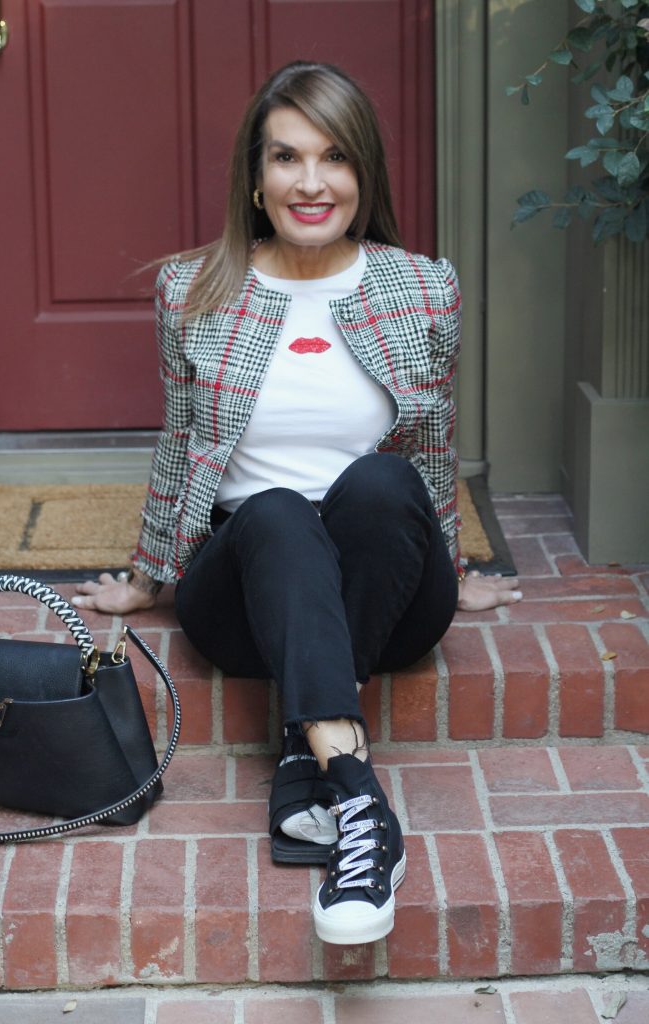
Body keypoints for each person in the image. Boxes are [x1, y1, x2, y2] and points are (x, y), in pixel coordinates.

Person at [72, 61, 521, 946]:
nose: (310, 183)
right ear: (255, 176)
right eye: (286, 158)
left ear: (364, 176)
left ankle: (308, 769)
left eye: (334, 159)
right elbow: (178, 447)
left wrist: (454, 567)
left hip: (382, 589)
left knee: (381, 479)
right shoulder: (195, 293)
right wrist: (150, 574)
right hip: (243, 590)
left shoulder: (422, 288)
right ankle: (362, 809)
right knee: (274, 509)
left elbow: (430, 452)